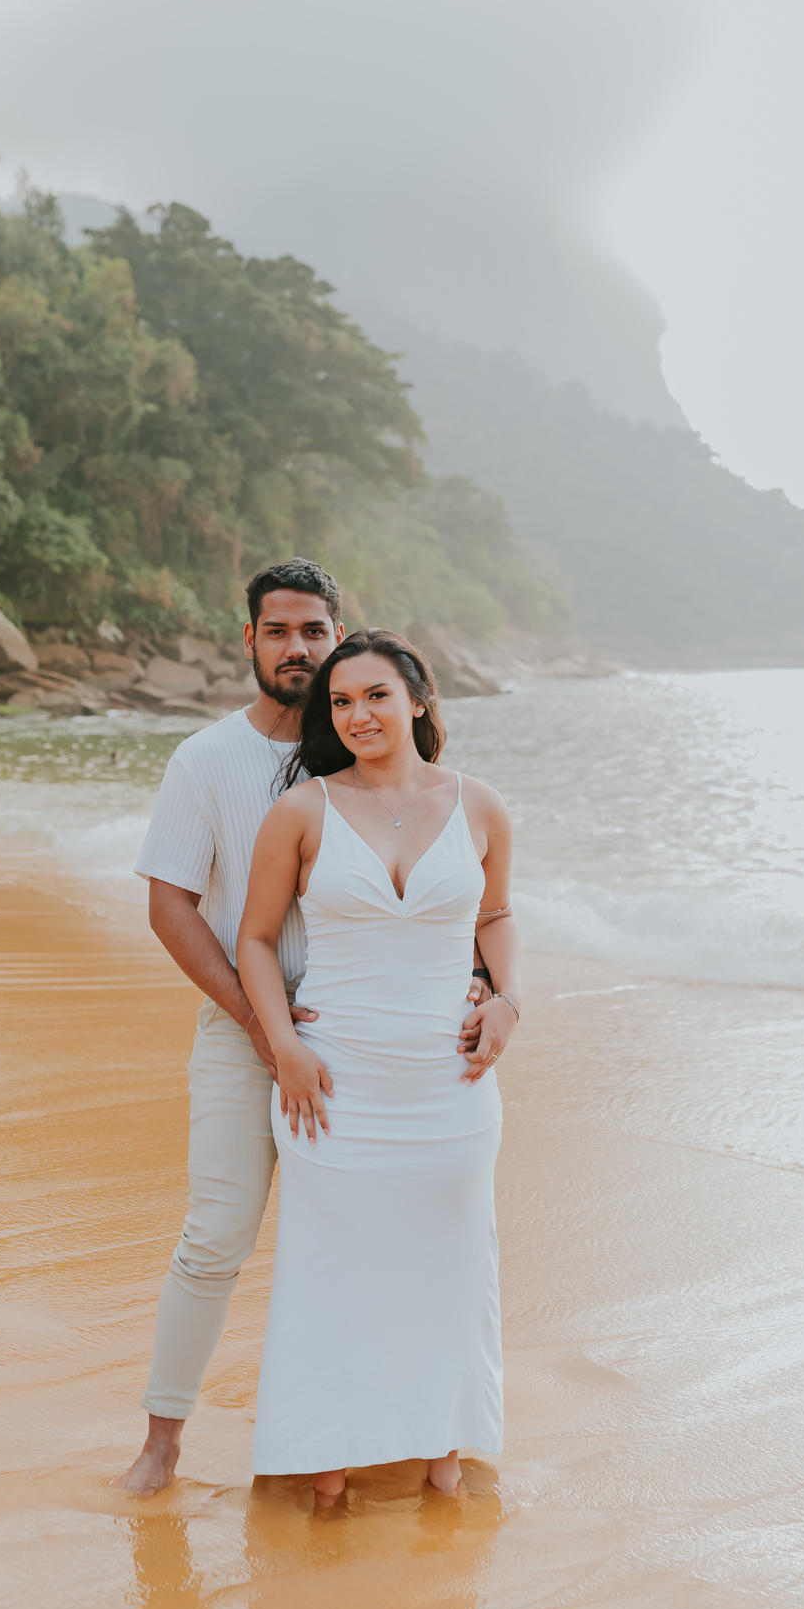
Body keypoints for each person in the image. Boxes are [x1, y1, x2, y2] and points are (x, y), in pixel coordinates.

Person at [114, 563, 495, 1498]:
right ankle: (163, 1438)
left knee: (380, 1240)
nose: (296, 646)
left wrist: (487, 989)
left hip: (371, 1051)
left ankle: (386, 1437)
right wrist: (267, 1034)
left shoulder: (361, 754)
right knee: (217, 1236)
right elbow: (172, 907)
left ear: (341, 643)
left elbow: (449, 897)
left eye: (314, 631)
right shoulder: (207, 760)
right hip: (249, 1034)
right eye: (277, 631)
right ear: (249, 640)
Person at [236, 627, 521, 1499]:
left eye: (375, 696)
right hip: (335, 1085)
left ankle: (443, 1449)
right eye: (341, 702)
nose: (357, 714)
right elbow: (252, 937)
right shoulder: (303, 809)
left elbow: (497, 917)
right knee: (335, 1273)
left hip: (452, 1085)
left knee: (449, 1266)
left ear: (418, 700)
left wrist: (508, 997)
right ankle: (327, 1465)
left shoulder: (480, 806)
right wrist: (283, 1044)